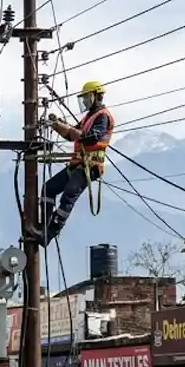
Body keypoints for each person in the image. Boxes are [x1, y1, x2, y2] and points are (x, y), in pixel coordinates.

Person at [35, 80, 113, 244]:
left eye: (87, 97)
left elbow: (91, 138)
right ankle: (42, 226)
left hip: (90, 166)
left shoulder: (103, 116)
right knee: (48, 188)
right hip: (78, 164)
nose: (84, 101)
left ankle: (50, 232)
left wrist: (67, 128)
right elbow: (72, 134)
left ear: (96, 96)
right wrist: (57, 125)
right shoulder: (88, 118)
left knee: (69, 195)